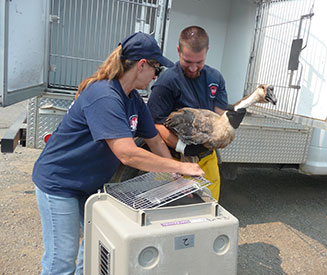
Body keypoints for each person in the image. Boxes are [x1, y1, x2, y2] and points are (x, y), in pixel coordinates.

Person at [32, 32, 204, 275]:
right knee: (61, 260)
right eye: (156, 69)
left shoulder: (133, 99)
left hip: (89, 184)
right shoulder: (104, 95)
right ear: (142, 65)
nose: (156, 76)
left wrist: (178, 181)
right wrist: (181, 167)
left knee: (94, 246)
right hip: (60, 182)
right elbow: (127, 154)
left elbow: (154, 140)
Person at [148, 26, 243, 201]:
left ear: (207, 51)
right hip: (174, 159)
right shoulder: (167, 82)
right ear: (178, 51)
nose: (192, 68)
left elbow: (219, 116)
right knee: (171, 215)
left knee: (208, 208)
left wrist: (231, 119)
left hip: (207, 158)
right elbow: (155, 124)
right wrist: (183, 147)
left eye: (199, 62)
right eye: (187, 61)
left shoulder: (215, 78)